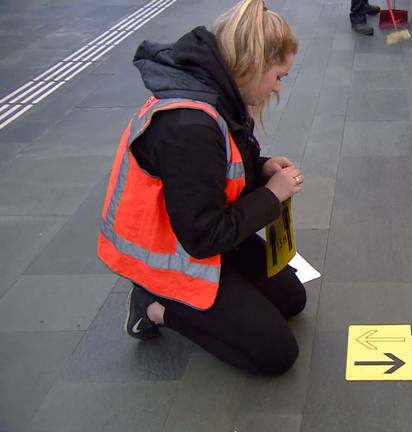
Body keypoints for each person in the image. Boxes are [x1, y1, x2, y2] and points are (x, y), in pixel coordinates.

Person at [97, 0, 306, 375]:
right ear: (254, 64)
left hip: (198, 228)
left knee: (292, 298)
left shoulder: (218, 91)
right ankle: (155, 306)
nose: (277, 88)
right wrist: (271, 194)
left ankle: (220, 302)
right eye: (278, 76)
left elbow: (219, 170)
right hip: (173, 253)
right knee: (276, 353)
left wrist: (261, 170)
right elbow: (203, 237)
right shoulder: (189, 126)